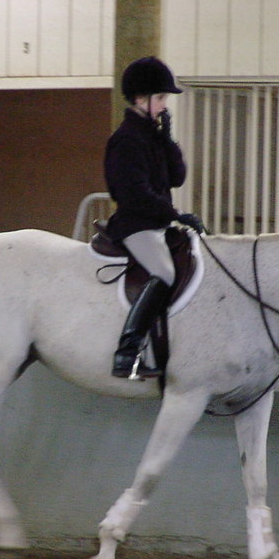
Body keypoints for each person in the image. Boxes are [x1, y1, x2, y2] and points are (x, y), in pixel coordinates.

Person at [105, 56, 204, 379]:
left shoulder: (151, 135)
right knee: (164, 272)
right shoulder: (126, 140)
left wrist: (167, 138)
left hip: (158, 223)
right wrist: (176, 214)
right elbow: (134, 194)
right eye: (160, 98)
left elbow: (177, 177)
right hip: (136, 225)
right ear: (140, 99)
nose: (164, 105)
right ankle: (128, 352)